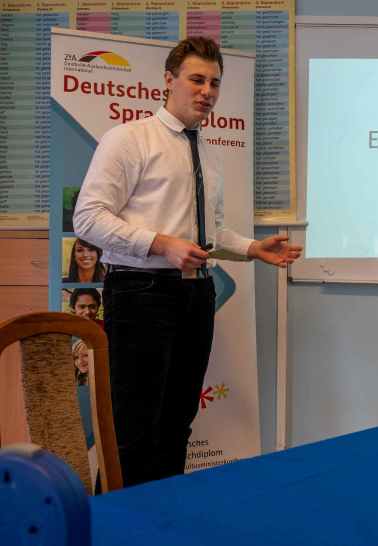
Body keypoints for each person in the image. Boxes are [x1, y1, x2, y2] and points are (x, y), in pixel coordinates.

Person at [73, 37, 302, 487]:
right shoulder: (129, 138)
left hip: (196, 293)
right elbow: (88, 217)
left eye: (215, 83)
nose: (207, 91)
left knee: (178, 420)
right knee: (134, 426)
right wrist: (160, 244)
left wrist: (252, 249)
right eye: (197, 79)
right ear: (168, 80)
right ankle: (121, 519)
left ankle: (165, 514)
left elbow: (207, 235)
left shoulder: (208, 151)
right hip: (140, 292)